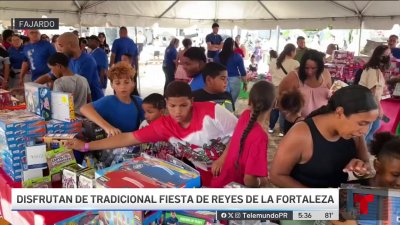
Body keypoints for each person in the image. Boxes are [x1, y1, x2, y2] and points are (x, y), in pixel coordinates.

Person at [67, 81, 238, 187]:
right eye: (172, 106)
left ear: (192, 102)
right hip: (204, 173)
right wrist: (86, 146)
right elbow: (127, 138)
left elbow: (242, 131)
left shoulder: (212, 111)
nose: (178, 112)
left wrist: (223, 159)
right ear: (166, 104)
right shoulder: (163, 126)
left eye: (183, 105)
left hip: (235, 167)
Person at [270, 85, 378, 189]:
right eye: (362, 123)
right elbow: (276, 175)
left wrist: (360, 169)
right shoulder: (301, 134)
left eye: (370, 124)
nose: (365, 131)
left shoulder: (355, 135)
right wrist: (317, 198)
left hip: (338, 203)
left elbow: (365, 164)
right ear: (340, 112)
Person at [210, 81, 275, 188]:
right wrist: (262, 181)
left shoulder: (245, 115)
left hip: (222, 181)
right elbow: (249, 180)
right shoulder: (261, 137)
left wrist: (221, 159)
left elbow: (234, 140)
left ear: (249, 100)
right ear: (274, 104)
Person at [80, 62, 143, 135]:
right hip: (112, 143)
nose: (123, 86)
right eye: (117, 83)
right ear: (112, 85)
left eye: (126, 82)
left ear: (133, 84)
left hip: (132, 143)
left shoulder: (139, 102)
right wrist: (107, 127)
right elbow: (84, 108)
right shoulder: (108, 101)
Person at [44, 32, 104, 101]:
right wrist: (33, 85)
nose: (60, 52)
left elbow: (80, 88)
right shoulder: (67, 59)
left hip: (94, 103)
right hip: (79, 103)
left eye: (60, 47)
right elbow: (49, 75)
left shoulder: (87, 61)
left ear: (70, 45)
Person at [279, 49, 332, 118]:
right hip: (297, 123)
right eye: (306, 68)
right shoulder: (293, 77)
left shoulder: (325, 74)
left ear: (319, 67)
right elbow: (281, 100)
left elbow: (330, 93)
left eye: (313, 68)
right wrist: (293, 119)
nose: (309, 72)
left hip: (321, 122)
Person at [359, 45, 390, 144]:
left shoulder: (376, 70)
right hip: (369, 105)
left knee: (374, 127)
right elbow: (372, 93)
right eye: (387, 55)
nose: (390, 57)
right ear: (379, 56)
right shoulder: (373, 71)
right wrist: (379, 109)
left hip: (371, 104)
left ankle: (365, 150)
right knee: (367, 130)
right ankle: (360, 151)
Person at [269, 44, 299, 135]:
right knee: (284, 109)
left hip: (274, 88)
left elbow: (271, 72)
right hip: (287, 89)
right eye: (295, 51)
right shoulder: (295, 63)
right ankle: (282, 130)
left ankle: (271, 127)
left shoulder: (273, 61)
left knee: (274, 108)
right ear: (292, 52)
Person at [139, 93, 175, 160]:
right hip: (146, 161)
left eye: (150, 112)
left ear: (161, 111)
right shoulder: (144, 125)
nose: (145, 116)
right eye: (145, 112)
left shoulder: (169, 127)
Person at [213, 37, 246, 104]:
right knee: (231, 103)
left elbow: (214, 71)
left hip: (221, 80)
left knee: (221, 103)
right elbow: (242, 72)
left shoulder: (217, 57)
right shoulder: (237, 56)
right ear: (232, 46)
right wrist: (245, 83)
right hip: (235, 81)